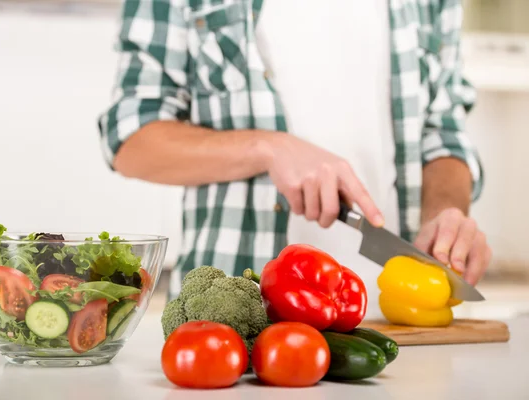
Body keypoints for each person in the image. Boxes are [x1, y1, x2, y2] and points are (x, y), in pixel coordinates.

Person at [98, 0, 491, 317]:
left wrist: (444, 215)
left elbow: (444, 131)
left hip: (397, 322)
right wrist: (269, 148)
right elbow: (130, 138)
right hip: (235, 321)